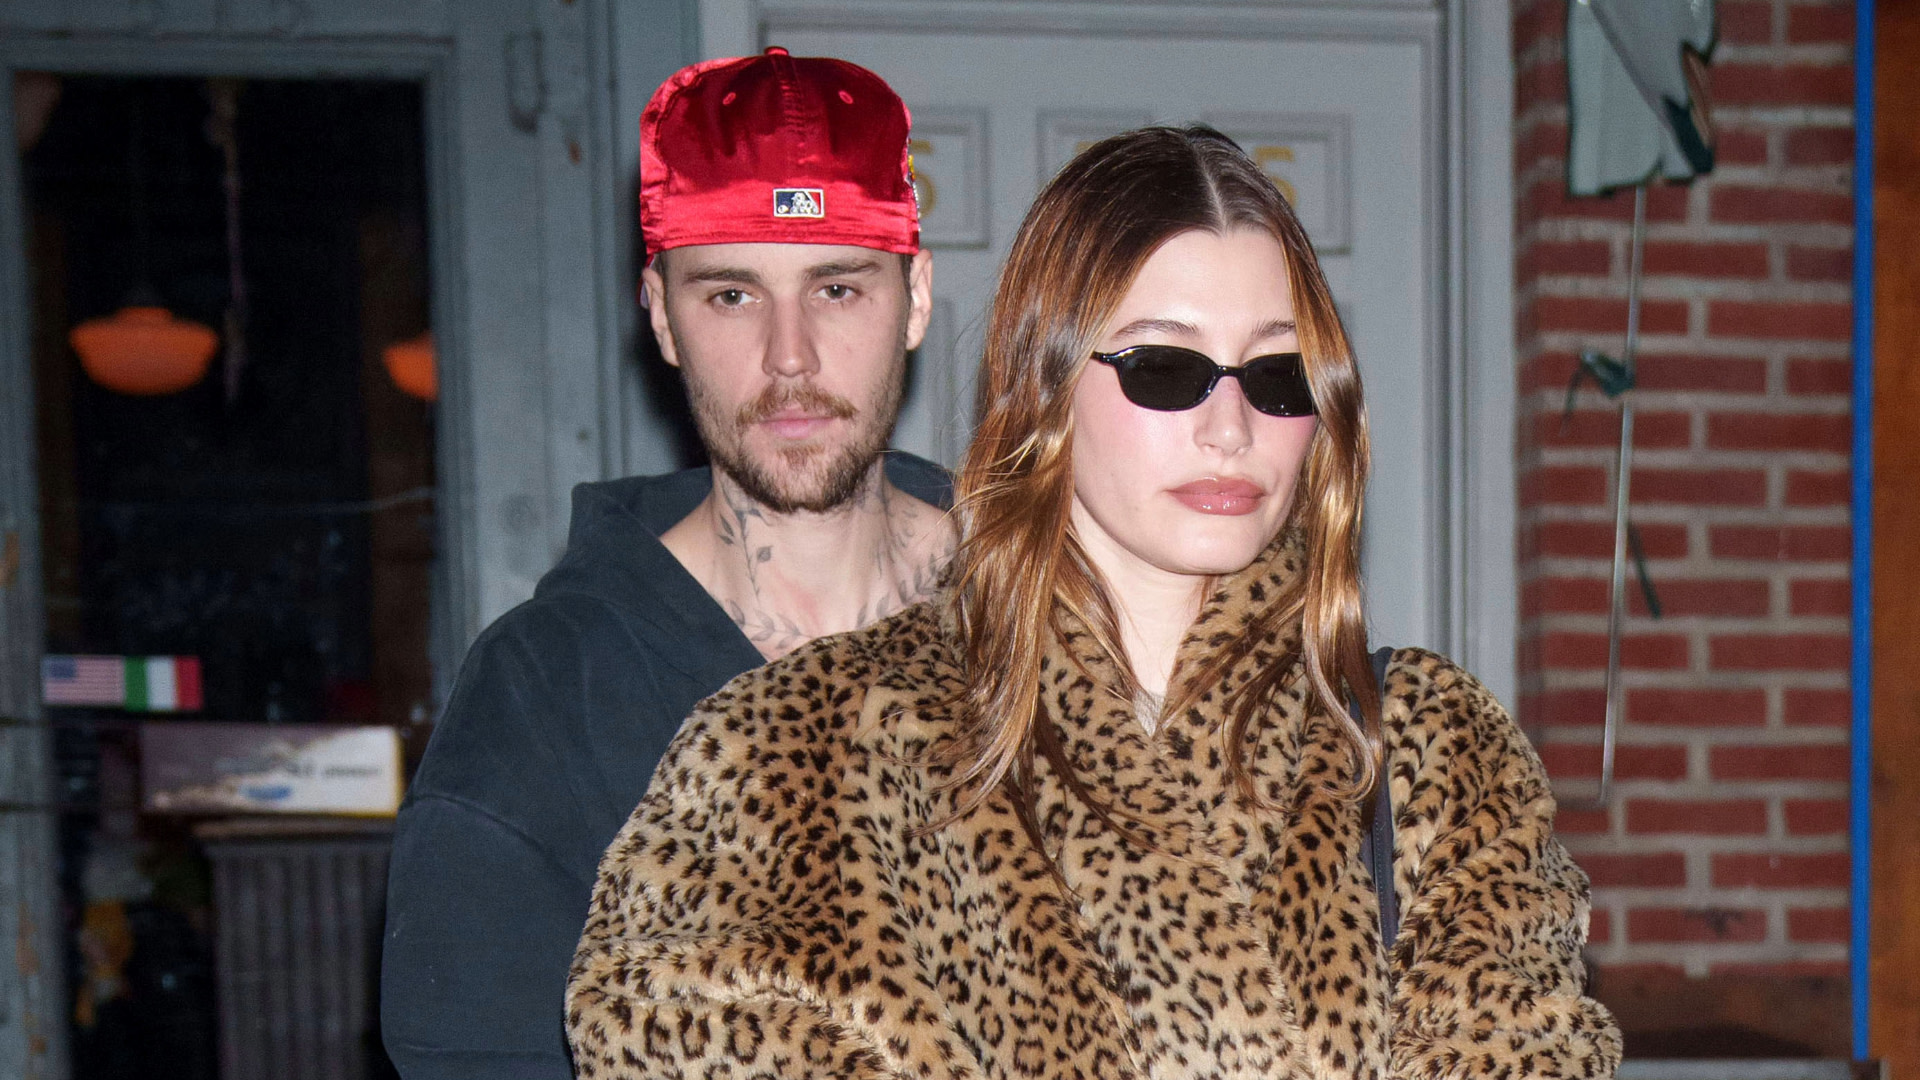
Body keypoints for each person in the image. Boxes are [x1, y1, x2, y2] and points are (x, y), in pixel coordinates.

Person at [567, 126, 1622, 1080]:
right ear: (1046, 384)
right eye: (1166, 369)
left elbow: (1525, 1049)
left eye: (1279, 375)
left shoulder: (1433, 749)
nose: (1229, 427)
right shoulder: (800, 749)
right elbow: (676, 1027)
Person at [381, 48, 951, 1079]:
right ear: (662, 316)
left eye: (836, 287)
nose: (790, 356)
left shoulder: (1057, 610)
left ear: (914, 300)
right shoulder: (546, 696)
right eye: (731, 295)